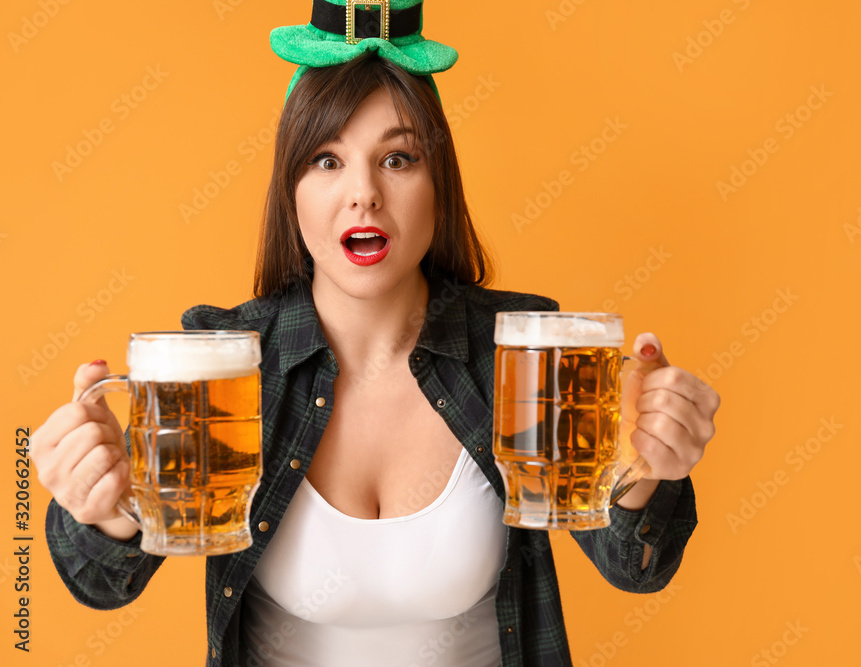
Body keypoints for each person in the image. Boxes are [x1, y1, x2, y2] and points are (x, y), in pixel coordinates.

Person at [32, 1, 720, 665]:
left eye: (397, 159)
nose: (363, 192)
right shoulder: (229, 364)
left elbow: (638, 566)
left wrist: (649, 468)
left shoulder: (515, 352)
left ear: (438, 183)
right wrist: (104, 505)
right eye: (326, 160)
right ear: (290, 190)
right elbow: (99, 582)